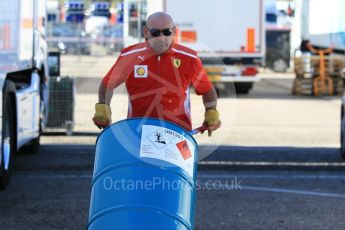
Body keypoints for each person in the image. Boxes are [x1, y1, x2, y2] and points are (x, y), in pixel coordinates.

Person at [92, 12, 221, 136]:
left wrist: (211, 112)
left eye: (166, 32)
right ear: (146, 32)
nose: (161, 38)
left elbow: (207, 90)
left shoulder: (189, 58)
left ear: (174, 31)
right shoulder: (129, 56)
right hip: (138, 133)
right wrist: (103, 108)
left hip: (178, 133)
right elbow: (107, 84)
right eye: (155, 32)